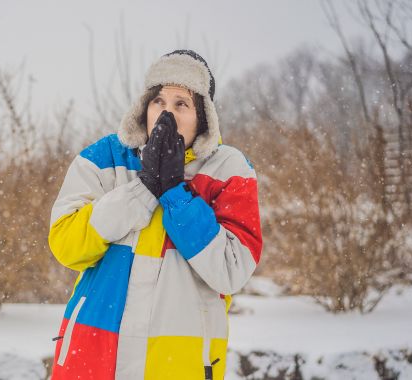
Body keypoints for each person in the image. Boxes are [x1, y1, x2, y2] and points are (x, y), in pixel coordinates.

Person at [47, 49, 262, 380]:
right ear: (144, 107)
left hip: (180, 366)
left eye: (181, 104)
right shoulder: (104, 157)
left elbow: (231, 271)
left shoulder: (230, 169)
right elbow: (66, 245)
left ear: (204, 116)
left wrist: (175, 195)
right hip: (93, 358)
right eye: (159, 101)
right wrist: (143, 189)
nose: (166, 113)